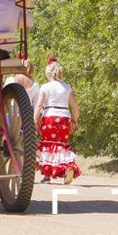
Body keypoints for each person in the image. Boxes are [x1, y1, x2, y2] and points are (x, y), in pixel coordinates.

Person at [35, 57, 81, 185]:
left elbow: (39, 106)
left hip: (49, 117)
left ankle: (46, 176)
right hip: (64, 118)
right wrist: (75, 121)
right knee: (61, 144)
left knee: (48, 145)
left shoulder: (45, 87)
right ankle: (69, 167)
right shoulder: (67, 87)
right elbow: (76, 107)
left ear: (48, 73)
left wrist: (35, 120)